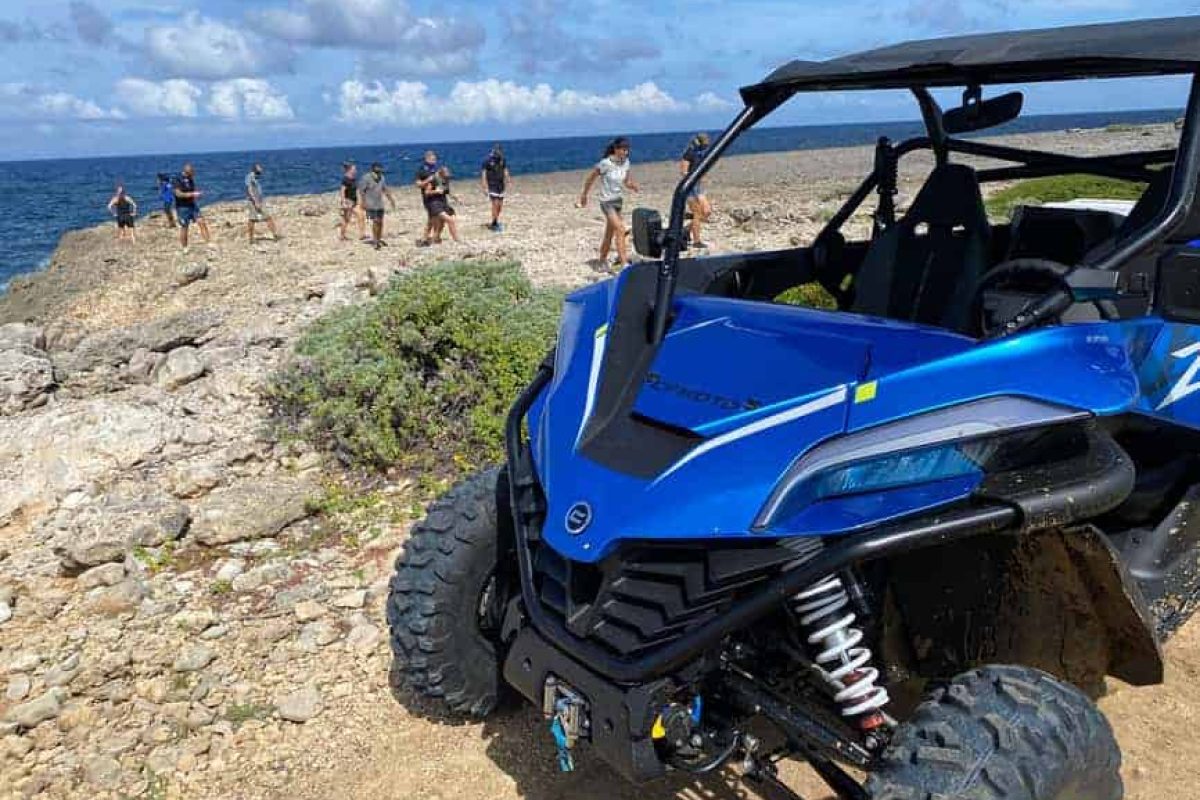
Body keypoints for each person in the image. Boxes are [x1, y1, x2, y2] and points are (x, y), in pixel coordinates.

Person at [578, 137, 638, 268]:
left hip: (618, 201)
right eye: (623, 150)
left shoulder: (626, 163)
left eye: (627, 150)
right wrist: (584, 196)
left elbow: (626, 181)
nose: (626, 152)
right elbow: (590, 179)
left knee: (609, 233)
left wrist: (632, 186)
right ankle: (624, 263)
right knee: (620, 229)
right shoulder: (605, 163)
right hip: (606, 202)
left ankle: (601, 261)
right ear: (616, 149)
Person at [679, 132, 713, 249]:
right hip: (690, 186)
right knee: (697, 213)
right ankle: (696, 241)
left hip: (698, 186)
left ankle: (686, 230)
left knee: (707, 211)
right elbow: (684, 172)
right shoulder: (689, 153)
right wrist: (694, 177)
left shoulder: (701, 153)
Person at [172, 163, 211, 251]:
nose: (193, 174)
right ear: (187, 171)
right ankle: (185, 247)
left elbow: (192, 190)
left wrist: (197, 195)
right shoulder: (177, 179)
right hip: (182, 207)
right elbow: (178, 194)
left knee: (202, 222)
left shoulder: (190, 179)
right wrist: (192, 194)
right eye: (192, 172)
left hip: (192, 205)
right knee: (184, 227)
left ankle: (208, 243)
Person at [360, 162, 396, 250]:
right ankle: (375, 241)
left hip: (379, 204)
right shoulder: (366, 178)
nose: (378, 172)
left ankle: (379, 238)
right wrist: (363, 202)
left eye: (380, 170)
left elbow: (385, 189)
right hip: (370, 204)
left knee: (380, 222)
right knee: (375, 222)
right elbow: (361, 191)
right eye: (377, 170)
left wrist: (391, 199)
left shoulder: (382, 178)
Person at [245, 163, 281, 243]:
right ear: (255, 169)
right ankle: (251, 239)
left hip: (258, 201)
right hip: (253, 202)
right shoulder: (249, 177)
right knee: (253, 219)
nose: (261, 170)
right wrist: (255, 202)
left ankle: (274, 235)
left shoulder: (255, 177)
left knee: (266, 218)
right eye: (259, 168)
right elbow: (249, 190)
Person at [423, 166, 460, 243]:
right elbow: (426, 192)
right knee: (450, 220)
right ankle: (457, 240)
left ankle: (435, 238)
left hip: (443, 202)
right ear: (441, 174)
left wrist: (455, 197)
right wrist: (435, 191)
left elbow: (447, 191)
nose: (448, 176)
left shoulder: (446, 180)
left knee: (441, 223)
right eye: (446, 174)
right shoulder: (433, 180)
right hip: (434, 204)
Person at [480, 144, 511, 232]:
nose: (499, 152)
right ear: (494, 151)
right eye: (497, 151)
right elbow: (483, 174)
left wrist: (508, 178)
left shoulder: (502, 160)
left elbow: (505, 169)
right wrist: (484, 186)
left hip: (500, 185)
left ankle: (495, 220)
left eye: (500, 151)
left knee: (500, 206)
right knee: (495, 204)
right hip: (492, 185)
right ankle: (494, 223)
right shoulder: (487, 161)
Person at [414, 150, 440, 246]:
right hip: (428, 197)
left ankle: (435, 236)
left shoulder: (435, 168)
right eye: (433, 159)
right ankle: (425, 238)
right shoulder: (421, 170)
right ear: (427, 159)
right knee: (432, 217)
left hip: (438, 196)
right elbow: (418, 184)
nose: (435, 160)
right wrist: (428, 180)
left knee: (437, 217)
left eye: (435, 159)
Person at [338, 161, 365, 242]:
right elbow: (342, 191)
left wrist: (360, 200)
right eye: (354, 168)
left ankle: (362, 235)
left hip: (354, 201)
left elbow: (356, 190)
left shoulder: (353, 179)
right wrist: (343, 202)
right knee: (346, 219)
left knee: (361, 216)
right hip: (348, 201)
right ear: (349, 169)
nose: (355, 170)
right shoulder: (345, 179)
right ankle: (342, 236)